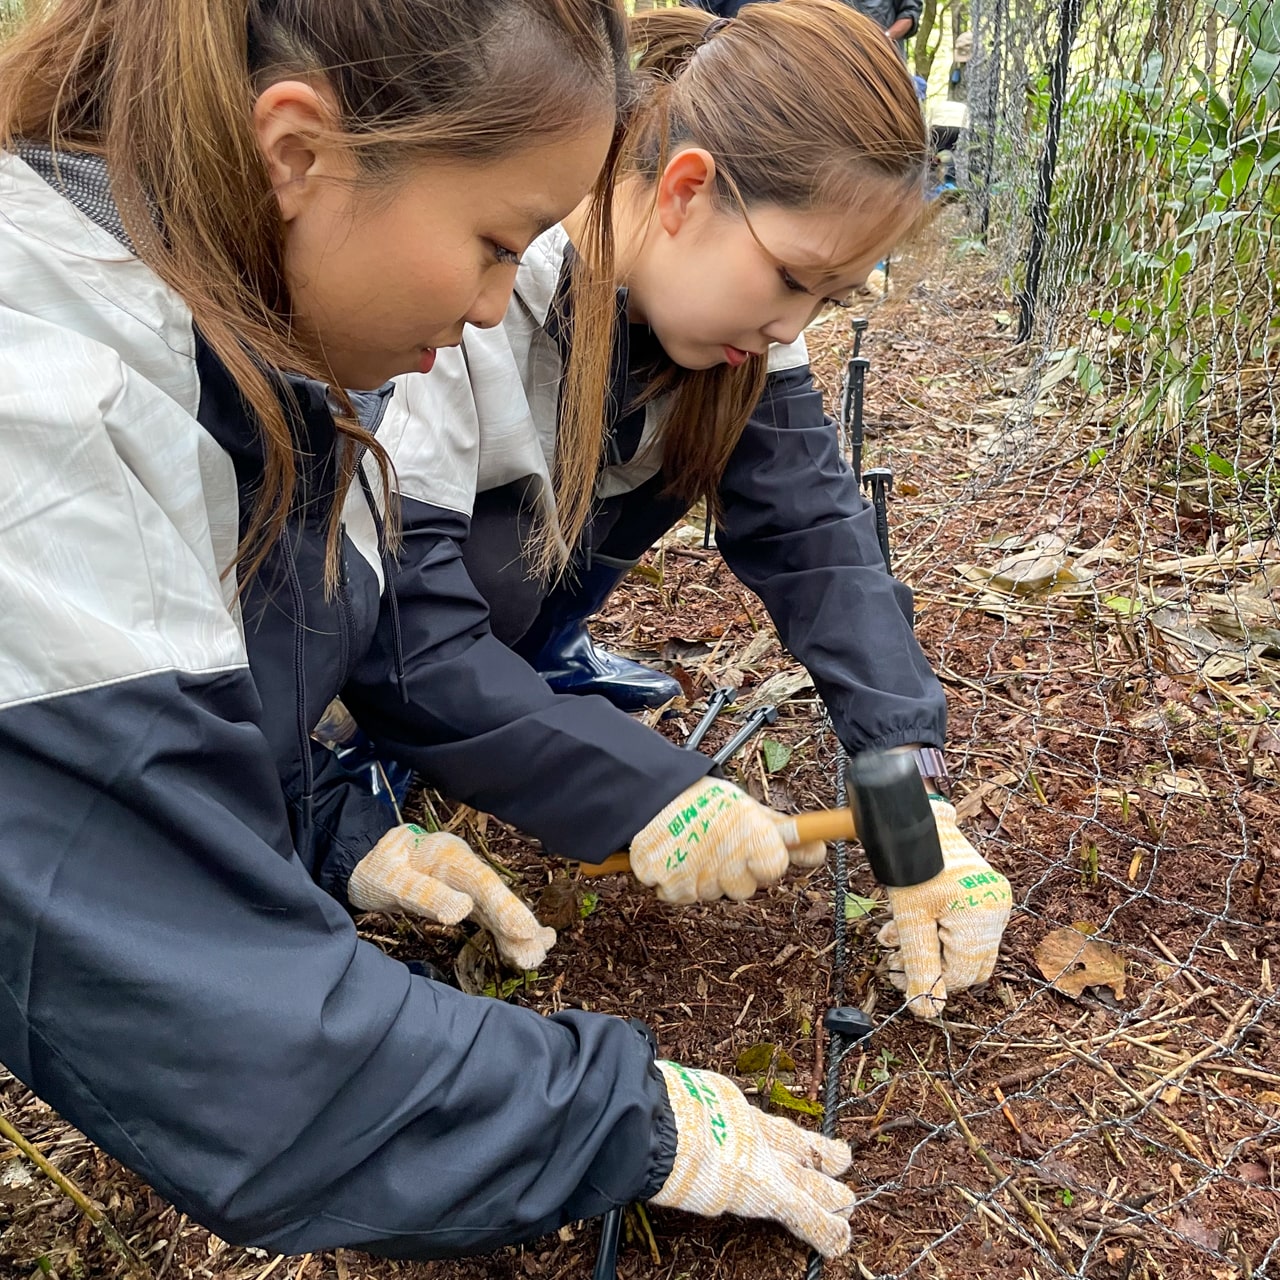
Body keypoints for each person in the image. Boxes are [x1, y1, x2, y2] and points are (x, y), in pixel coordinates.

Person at [0, 0, 858, 1263]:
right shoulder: (40, 432)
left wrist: (334, 825)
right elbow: (245, 1057)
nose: (488, 308)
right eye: (497, 241)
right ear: (298, 151)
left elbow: (191, 705)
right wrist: (625, 1111)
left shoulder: (233, 359)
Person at [364, 0, 1011, 1020]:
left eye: (829, 298)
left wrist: (906, 778)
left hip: (498, 614)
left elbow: (813, 538)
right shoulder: (478, 285)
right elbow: (405, 624)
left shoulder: (739, 319)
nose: (794, 322)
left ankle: (526, 677)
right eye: (795, 278)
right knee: (484, 573)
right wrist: (646, 787)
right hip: (363, 634)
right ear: (685, 190)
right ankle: (358, 766)